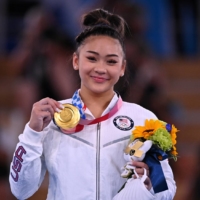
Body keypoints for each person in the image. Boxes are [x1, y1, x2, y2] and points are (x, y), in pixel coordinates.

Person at [9, 8, 176, 200]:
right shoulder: (53, 118)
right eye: (91, 58)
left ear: (122, 68)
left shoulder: (143, 120)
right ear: (76, 61)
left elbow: (167, 189)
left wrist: (149, 185)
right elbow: (20, 190)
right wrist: (32, 133)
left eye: (111, 61)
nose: (100, 69)